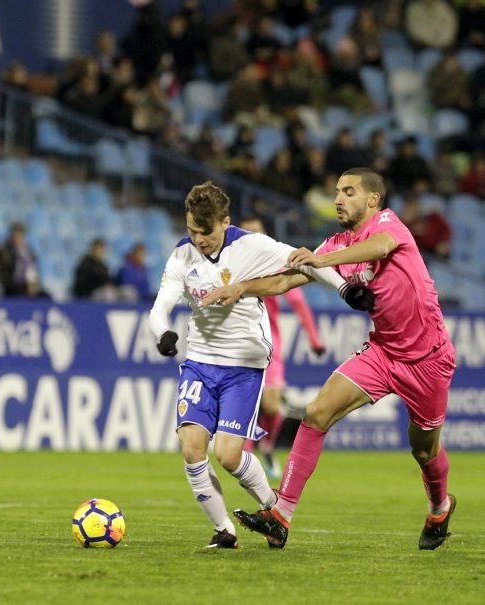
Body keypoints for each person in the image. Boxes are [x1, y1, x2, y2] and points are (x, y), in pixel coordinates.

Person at [203, 168, 456, 550]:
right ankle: (281, 515)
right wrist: (240, 287)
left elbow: (380, 248)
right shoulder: (335, 244)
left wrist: (324, 262)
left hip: (429, 359)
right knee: (316, 413)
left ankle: (440, 506)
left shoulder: (388, 225)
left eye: (348, 192)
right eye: (337, 191)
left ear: (372, 199)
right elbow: (286, 279)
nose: (338, 198)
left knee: (424, 449)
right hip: (383, 352)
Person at [149, 181, 374, 549]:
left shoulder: (250, 246)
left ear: (224, 222)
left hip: (243, 364)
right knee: (191, 448)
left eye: (204, 232)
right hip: (200, 361)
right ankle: (225, 530)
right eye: (191, 230)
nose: (198, 239)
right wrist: (163, 334)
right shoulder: (182, 256)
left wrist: (345, 289)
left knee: (227, 455)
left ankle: (273, 510)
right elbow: (160, 307)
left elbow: (307, 260)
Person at [238, 217, 325, 481]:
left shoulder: (274, 263)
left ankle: (266, 447)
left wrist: (314, 339)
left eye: (257, 231)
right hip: (240, 343)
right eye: (247, 232)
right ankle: (246, 456)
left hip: (270, 344)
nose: (252, 236)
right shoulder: (232, 264)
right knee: (248, 404)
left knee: (272, 406)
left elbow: (298, 302)